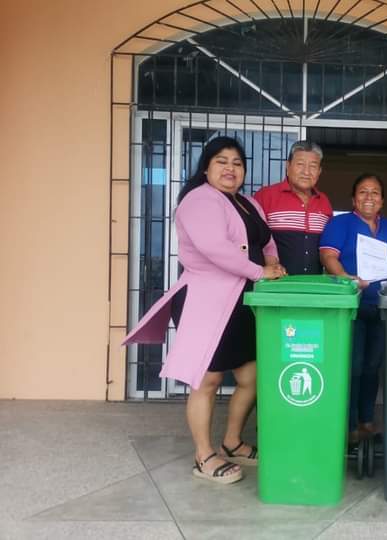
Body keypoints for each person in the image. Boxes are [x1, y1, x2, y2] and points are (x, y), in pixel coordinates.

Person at [123, 137, 286, 484]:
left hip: (244, 301)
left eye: (237, 163)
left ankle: (232, 442)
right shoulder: (199, 200)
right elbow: (215, 248)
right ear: (206, 167)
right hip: (206, 300)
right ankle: (204, 455)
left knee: (251, 377)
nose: (230, 168)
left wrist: (272, 261)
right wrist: (260, 271)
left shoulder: (248, 203)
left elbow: (267, 240)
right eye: (221, 161)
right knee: (207, 380)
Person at [319, 173, 387, 443]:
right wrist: (346, 278)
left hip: (383, 306)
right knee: (353, 365)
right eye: (363, 192)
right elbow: (328, 256)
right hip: (351, 305)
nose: (369, 197)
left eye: (375, 192)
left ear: (382, 200)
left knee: (373, 366)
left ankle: (366, 420)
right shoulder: (340, 223)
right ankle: (349, 424)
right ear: (354, 199)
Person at [254, 140, 333, 275]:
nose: (306, 172)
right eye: (300, 164)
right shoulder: (266, 196)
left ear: (319, 171)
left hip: (314, 283)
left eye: (313, 166)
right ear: (288, 166)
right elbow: (251, 240)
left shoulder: (324, 201)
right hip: (275, 282)